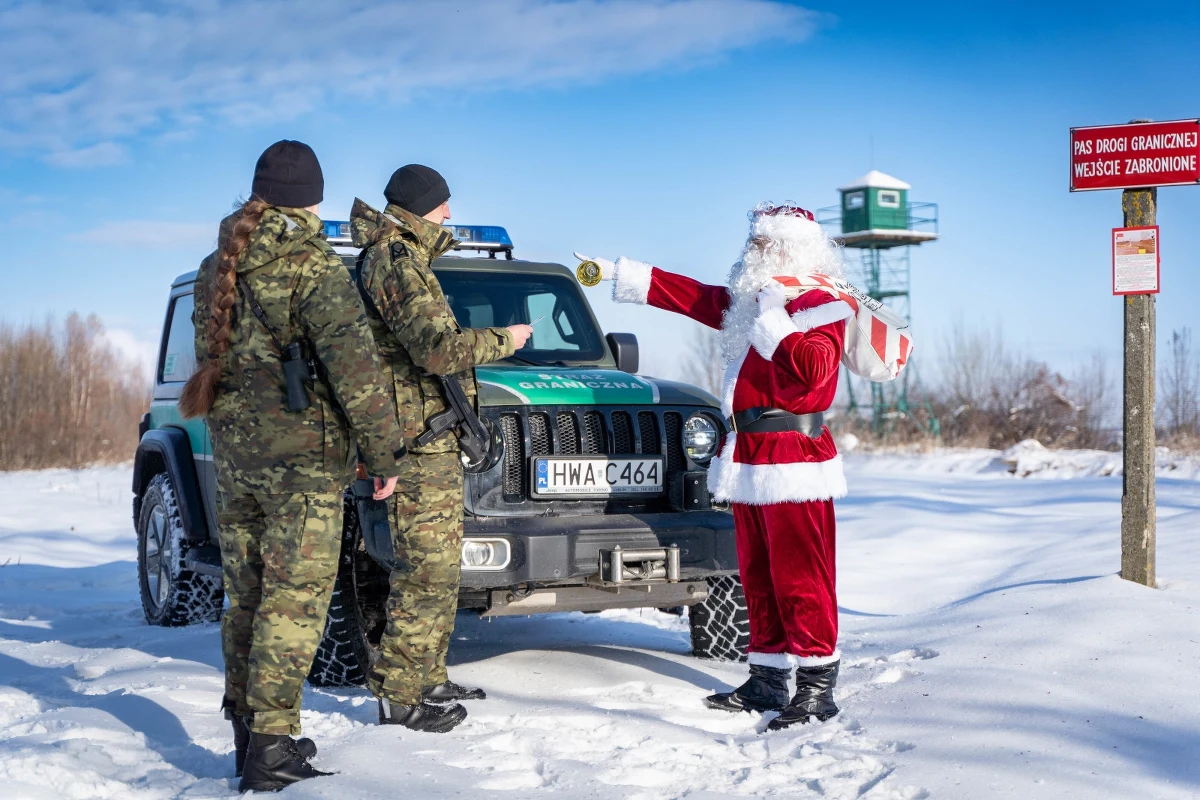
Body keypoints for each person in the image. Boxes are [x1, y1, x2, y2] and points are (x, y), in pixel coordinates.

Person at [179, 140, 407, 790]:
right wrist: (381, 452)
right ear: (311, 198)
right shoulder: (311, 265)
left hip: (237, 454)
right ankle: (272, 746)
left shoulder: (216, 265)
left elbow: (212, 357)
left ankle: (250, 738)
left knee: (246, 596)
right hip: (303, 463)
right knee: (294, 599)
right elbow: (356, 370)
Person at [578, 204, 851, 730]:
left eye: (765, 242)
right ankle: (769, 678)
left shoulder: (820, 301)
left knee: (802, 577)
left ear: (796, 249)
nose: (754, 250)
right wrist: (618, 273)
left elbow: (816, 373)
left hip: (794, 455)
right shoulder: (752, 302)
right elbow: (694, 296)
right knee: (760, 576)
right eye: (753, 241)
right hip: (749, 455)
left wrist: (776, 317)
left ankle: (816, 686)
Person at [349, 164, 533, 732]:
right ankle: (399, 695)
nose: (449, 214)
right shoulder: (395, 261)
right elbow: (436, 350)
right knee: (422, 572)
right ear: (419, 205)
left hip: (430, 436)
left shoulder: (406, 258)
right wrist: (507, 338)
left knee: (440, 569)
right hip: (413, 442)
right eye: (442, 204)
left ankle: (426, 674)